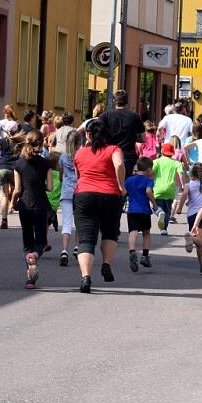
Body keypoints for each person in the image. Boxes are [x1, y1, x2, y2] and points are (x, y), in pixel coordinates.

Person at [73, 119, 126, 293]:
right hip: (110, 195)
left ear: (88, 135)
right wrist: (121, 185)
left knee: (86, 239)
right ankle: (106, 264)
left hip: (84, 195)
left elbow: (78, 175)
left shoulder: (80, 153)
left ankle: (86, 277)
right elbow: (118, 164)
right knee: (110, 232)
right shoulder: (113, 149)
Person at [11, 130, 53, 289]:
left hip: (25, 205)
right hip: (40, 205)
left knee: (27, 241)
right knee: (41, 241)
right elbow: (50, 187)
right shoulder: (45, 163)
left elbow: (16, 189)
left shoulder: (19, 163)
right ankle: (35, 256)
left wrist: (13, 203)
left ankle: (30, 278)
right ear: (42, 143)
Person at [125, 157, 161, 272]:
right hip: (144, 210)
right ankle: (145, 255)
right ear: (148, 170)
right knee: (146, 233)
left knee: (133, 232)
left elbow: (124, 192)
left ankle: (132, 251)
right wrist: (154, 204)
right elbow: (148, 191)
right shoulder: (148, 180)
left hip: (132, 210)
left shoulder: (129, 180)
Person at [100, 89, 145, 177]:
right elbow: (143, 139)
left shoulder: (105, 116)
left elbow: (97, 132)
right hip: (128, 156)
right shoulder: (135, 117)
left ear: (114, 101)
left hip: (109, 155)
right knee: (126, 184)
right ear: (127, 102)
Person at [182, 163, 202, 274]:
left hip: (191, 215)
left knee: (199, 241)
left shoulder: (188, 186)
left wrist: (180, 207)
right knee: (201, 241)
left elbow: (185, 194)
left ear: (191, 174)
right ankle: (192, 240)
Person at [59, 130, 82, 265]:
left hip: (66, 191)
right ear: (79, 142)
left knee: (67, 223)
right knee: (79, 221)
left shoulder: (63, 157)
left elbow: (62, 174)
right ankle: (77, 247)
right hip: (79, 190)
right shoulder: (81, 156)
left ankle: (64, 250)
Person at [153, 143, 186, 235]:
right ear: (172, 153)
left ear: (162, 151)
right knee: (167, 210)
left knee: (157, 207)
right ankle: (164, 229)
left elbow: (151, 173)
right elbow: (181, 174)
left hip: (158, 189)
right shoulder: (177, 163)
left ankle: (159, 212)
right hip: (170, 190)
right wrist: (183, 185)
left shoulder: (156, 162)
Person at [0, 121, 19, 229]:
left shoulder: (1, 141)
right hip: (14, 169)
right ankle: (12, 205)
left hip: (3, 168)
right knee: (15, 189)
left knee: (4, 195)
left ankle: (4, 220)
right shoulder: (19, 142)